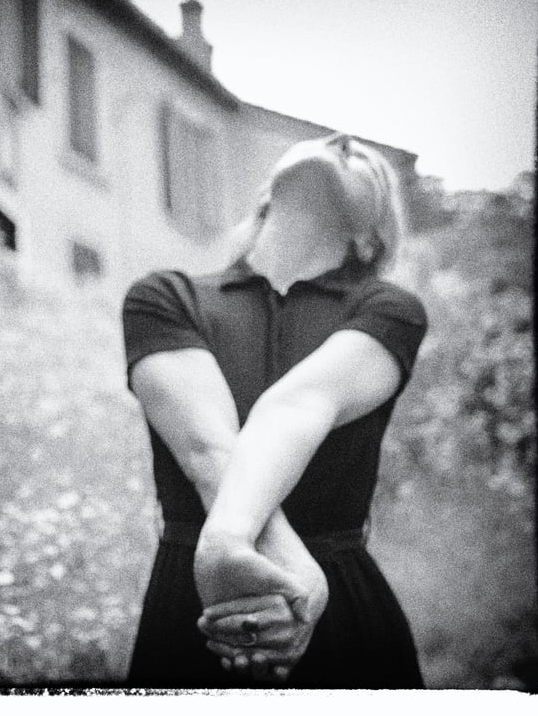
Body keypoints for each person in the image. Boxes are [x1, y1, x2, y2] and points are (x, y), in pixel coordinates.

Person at [122, 133, 428, 688]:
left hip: (345, 621)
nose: (340, 140)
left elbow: (301, 404)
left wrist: (239, 548)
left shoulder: (389, 310)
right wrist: (293, 575)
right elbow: (206, 449)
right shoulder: (165, 297)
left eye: (361, 159)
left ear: (370, 234)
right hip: (196, 612)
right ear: (266, 195)